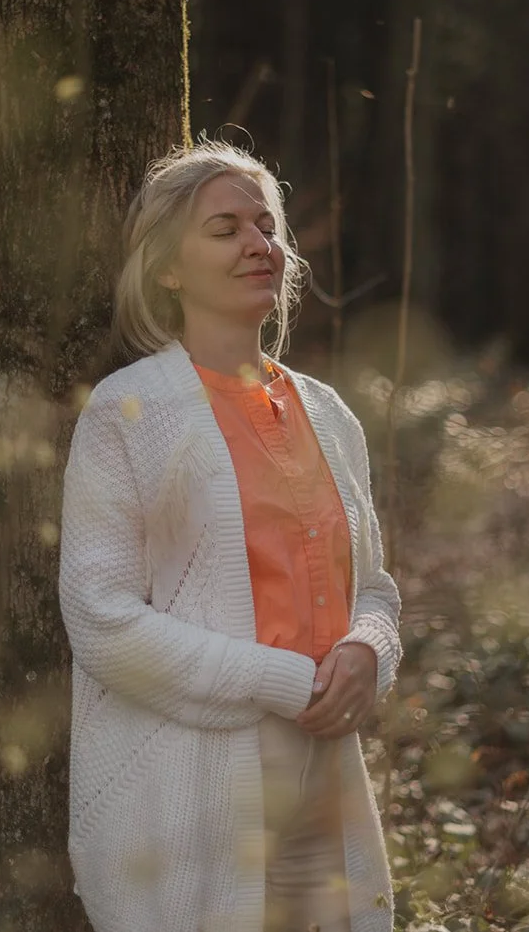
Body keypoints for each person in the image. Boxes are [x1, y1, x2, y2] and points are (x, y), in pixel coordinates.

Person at [58, 140, 402, 932]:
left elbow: (373, 586)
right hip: (195, 785)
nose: (258, 244)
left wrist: (366, 651)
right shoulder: (129, 412)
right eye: (225, 228)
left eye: (265, 225)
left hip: (327, 774)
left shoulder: (327, 412)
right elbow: (101, 618)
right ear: (167, 268)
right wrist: (284, 680)